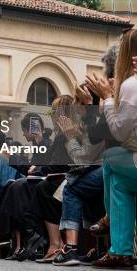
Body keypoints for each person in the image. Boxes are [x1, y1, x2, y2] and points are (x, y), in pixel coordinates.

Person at [86, 28, 137, 268]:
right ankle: (119, 250)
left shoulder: (131, 85)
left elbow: (117, 132)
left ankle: (120, 249)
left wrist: (106, 99)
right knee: (118, 181)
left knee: (110, 159)